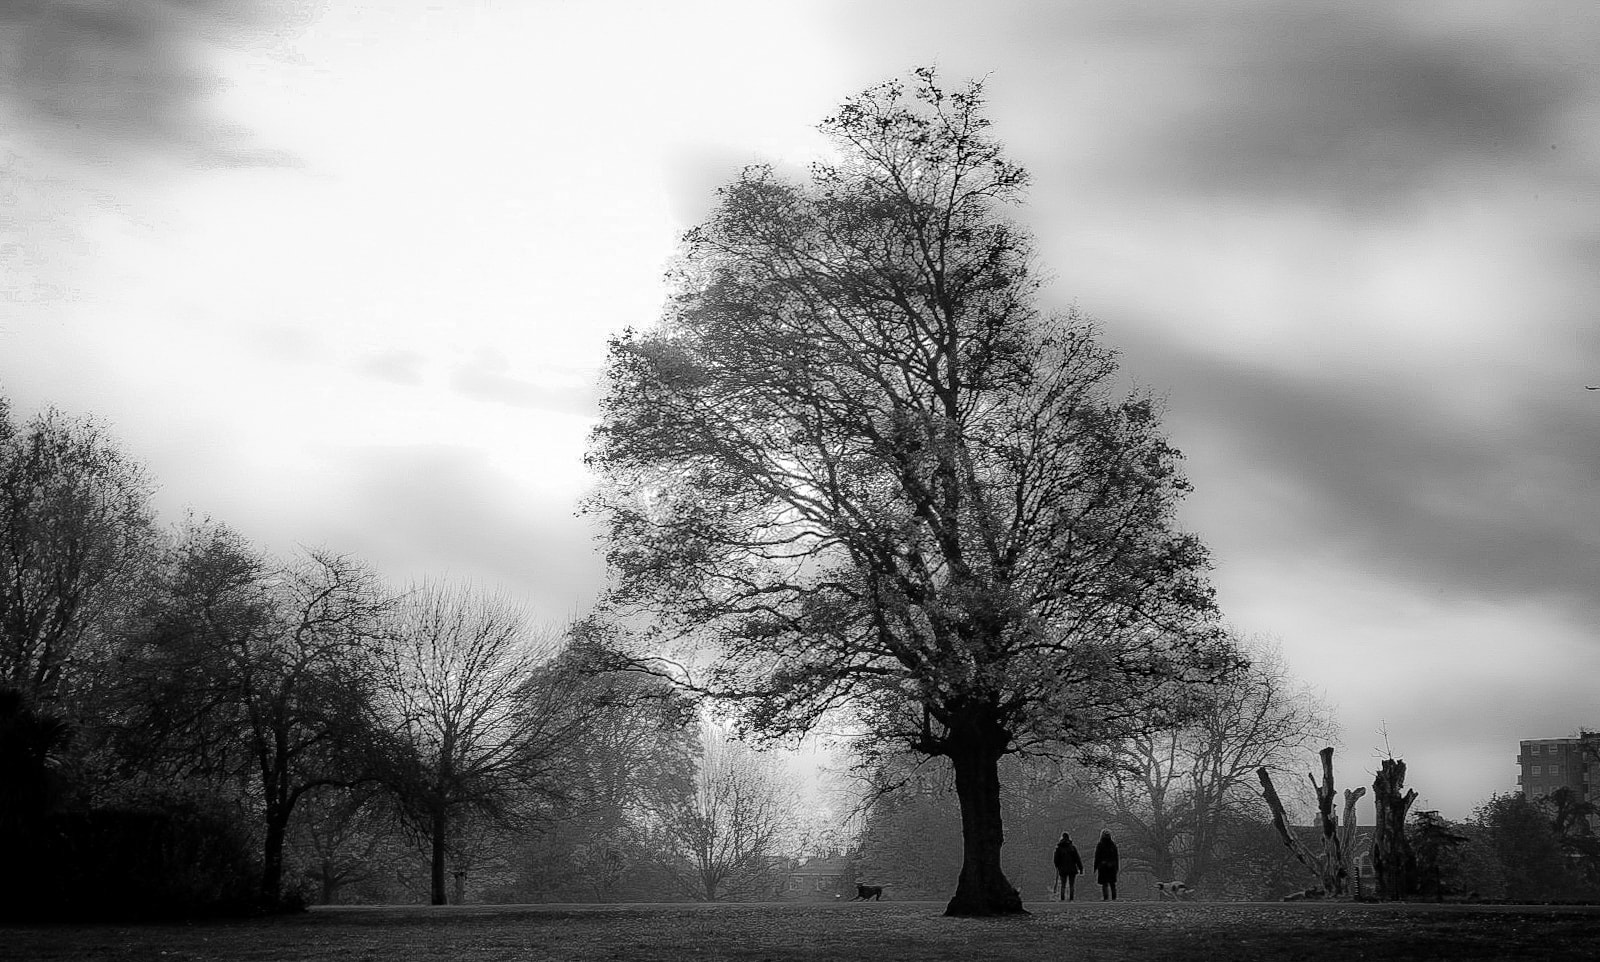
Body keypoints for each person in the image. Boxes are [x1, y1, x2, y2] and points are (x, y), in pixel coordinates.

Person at [1052, 832, 1083, 901]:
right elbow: (1077, 859)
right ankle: (1071, 898)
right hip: (1072, 869)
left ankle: (1062, 898)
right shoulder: (1072, 848)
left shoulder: (1059, 848)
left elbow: (1056, 859)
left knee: (1063, 884)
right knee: (1071, 885)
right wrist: (1081, 868)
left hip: (1062, 869)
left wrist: (1057, 866)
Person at [1094, 829, 1119, 901]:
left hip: (1103, 866)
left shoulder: (1100, 845)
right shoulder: (1113, 845)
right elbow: (1116, 857)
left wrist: (1095, 866)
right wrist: (1116, 867)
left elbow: (1097, 856)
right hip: (1112, 866)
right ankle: (1114, 898)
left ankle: (1106, 898)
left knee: (1104, 883)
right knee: (1112, 883)